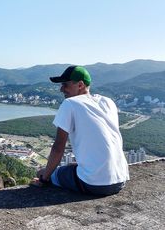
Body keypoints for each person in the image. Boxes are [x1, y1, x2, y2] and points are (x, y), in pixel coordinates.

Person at [33, 65, 129, 196]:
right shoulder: (108, 102)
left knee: (42, 171)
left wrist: (44, 179)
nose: (61, 89)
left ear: (80, 85)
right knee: (72, 166)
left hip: (95, 184)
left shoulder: (70, 103)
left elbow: (58, 147)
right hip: (120, 180)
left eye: (65, 84)